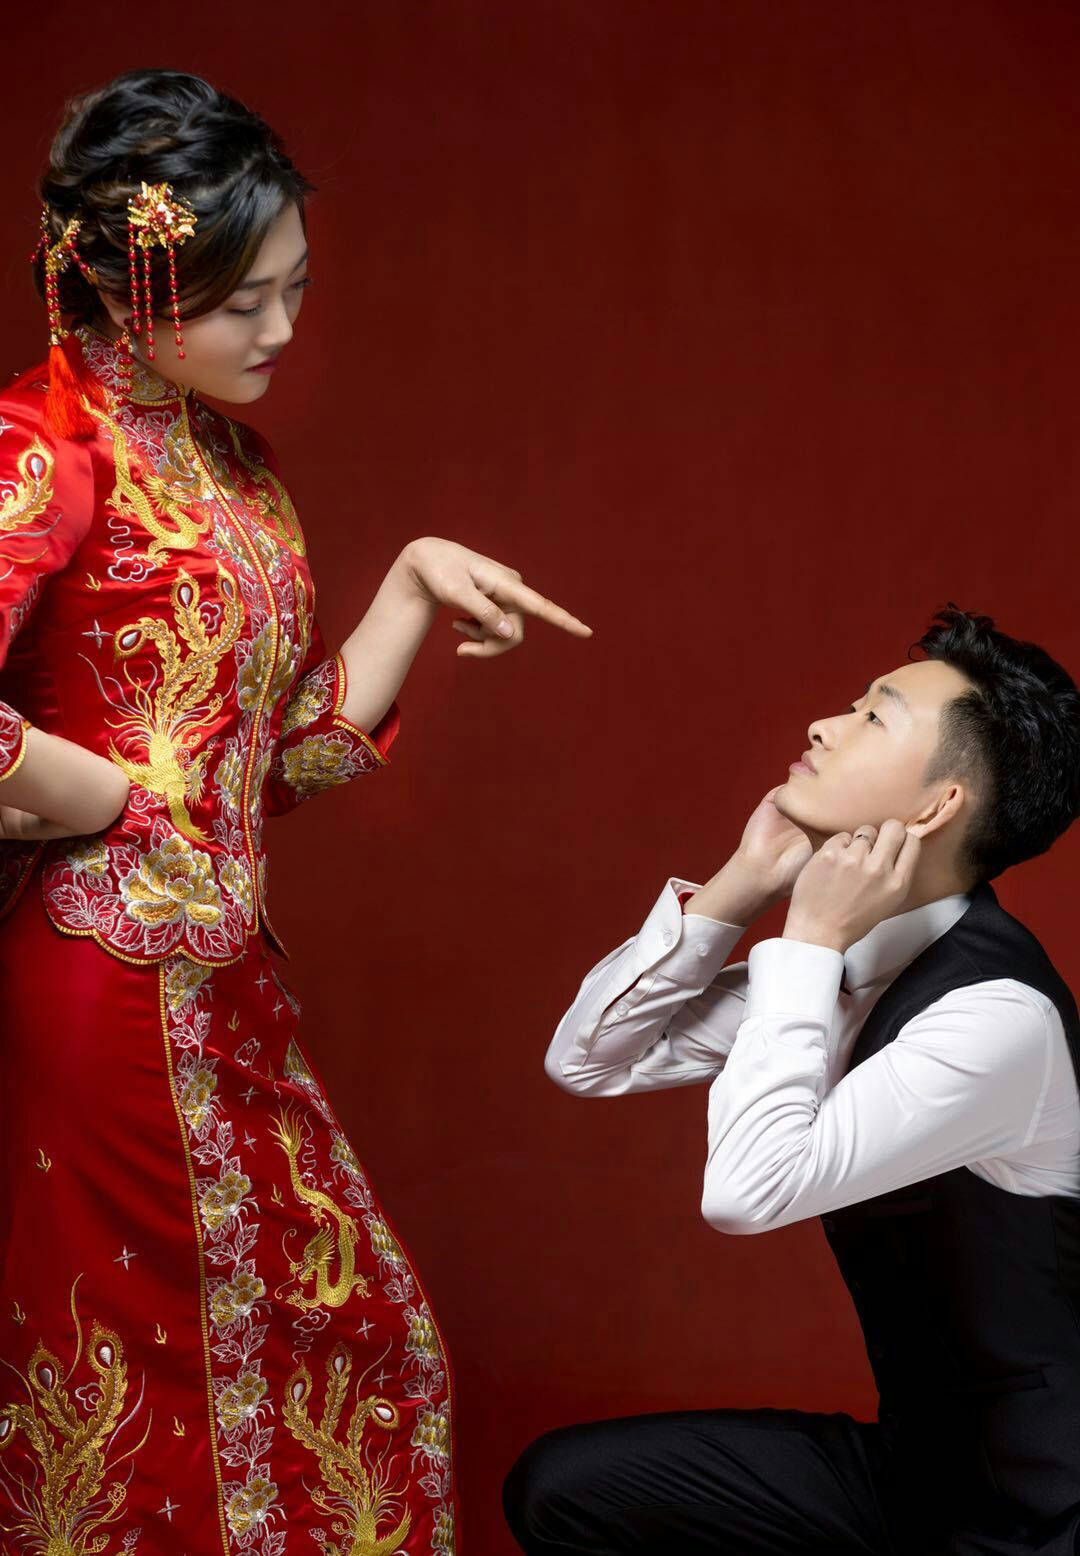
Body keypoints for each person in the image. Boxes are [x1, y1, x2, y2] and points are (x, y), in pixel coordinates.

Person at [0, 67, 592, 1555]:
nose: (279, 329)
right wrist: (80, 787)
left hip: (224, 985)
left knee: (331, 1362)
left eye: (295, 289)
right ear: (127, 282)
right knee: (138, 1397)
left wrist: (411, 582)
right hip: (101, 992)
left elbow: (271, 769)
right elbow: (140, 780)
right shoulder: (41, 447)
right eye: (241, 299)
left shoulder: (235, 470)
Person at [504, 605, 1080, 1556]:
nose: (823, 725)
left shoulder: (998, 1020)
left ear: (934, 809)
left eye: (874, 717)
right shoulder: (854, 967)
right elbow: (592, 1057)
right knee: (564, 1492)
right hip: (913, 1475)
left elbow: (744, 1195)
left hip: (1036, 1517)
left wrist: (809, 936)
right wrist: (743, 881)